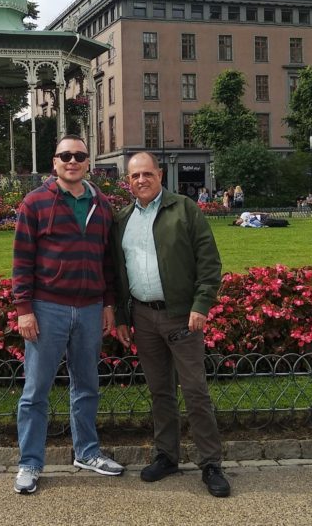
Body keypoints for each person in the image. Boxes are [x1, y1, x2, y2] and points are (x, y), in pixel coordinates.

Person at [112, 152, 230, 498]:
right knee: (160, 391)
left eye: (147, 174)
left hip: (182, 315)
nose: (141, 180)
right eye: (134, 176)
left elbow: (209, 260)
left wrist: (201, 304)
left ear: (160, 175)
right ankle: (167, 455)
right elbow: (117, 275)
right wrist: (121, 316)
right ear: (128, 181)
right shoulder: (122, 218)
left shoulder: (184, 209)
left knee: (195, 391)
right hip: (143, 316)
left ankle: (211, 463)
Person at [12, 134, 123, 495]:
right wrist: (24, 309)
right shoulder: (36, 203)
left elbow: (107, 261)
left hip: (90, 308)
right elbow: (22, 260)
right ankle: (30, 462)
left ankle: (87, 452)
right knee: (36, 391)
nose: (72, 161)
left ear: (88, 162)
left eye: (79, 155)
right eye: (65, 155)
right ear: (54, 162)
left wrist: (108, 303)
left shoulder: (101, 204)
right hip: (48, 308)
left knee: (87, 386)